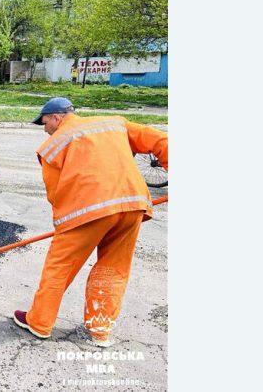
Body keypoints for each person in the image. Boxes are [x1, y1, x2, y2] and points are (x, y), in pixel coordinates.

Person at [13, 97, 168, 347]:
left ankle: (39, 323)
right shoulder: (115, 123)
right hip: (132, 205)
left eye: (44, 122)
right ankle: (100, 330)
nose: (44, 129)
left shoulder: (52, 147)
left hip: (87, 212)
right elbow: (163, 142)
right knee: (113, 269)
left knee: (59, 268)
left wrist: (64, 227)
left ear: (56, 117)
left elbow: (55, 193)